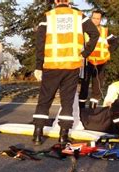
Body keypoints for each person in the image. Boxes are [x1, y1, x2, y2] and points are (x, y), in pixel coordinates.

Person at [32, 0, 99, 146]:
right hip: (72, 65)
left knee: (45, 99)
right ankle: (63, 136)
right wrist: (85, 53)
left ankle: (37, 134)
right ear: (68, 1)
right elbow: (95, 34)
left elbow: (40, 42)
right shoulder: (78, 16)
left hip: (51, 64)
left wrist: (38, 66)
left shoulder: (48, 16)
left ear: (55, 1)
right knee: (67, 101)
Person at [79, 9, 119, 109]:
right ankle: (81, 110)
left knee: (97, 88)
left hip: (100, 63)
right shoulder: (83, 30)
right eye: (94, 18)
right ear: (90, 18)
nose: (95, 20)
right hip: (87, 62)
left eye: (98, 19)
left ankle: (92, 110)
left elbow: (115, 42)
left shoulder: (105, 31)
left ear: (100, 20)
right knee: (84, 86)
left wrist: (108, 52)